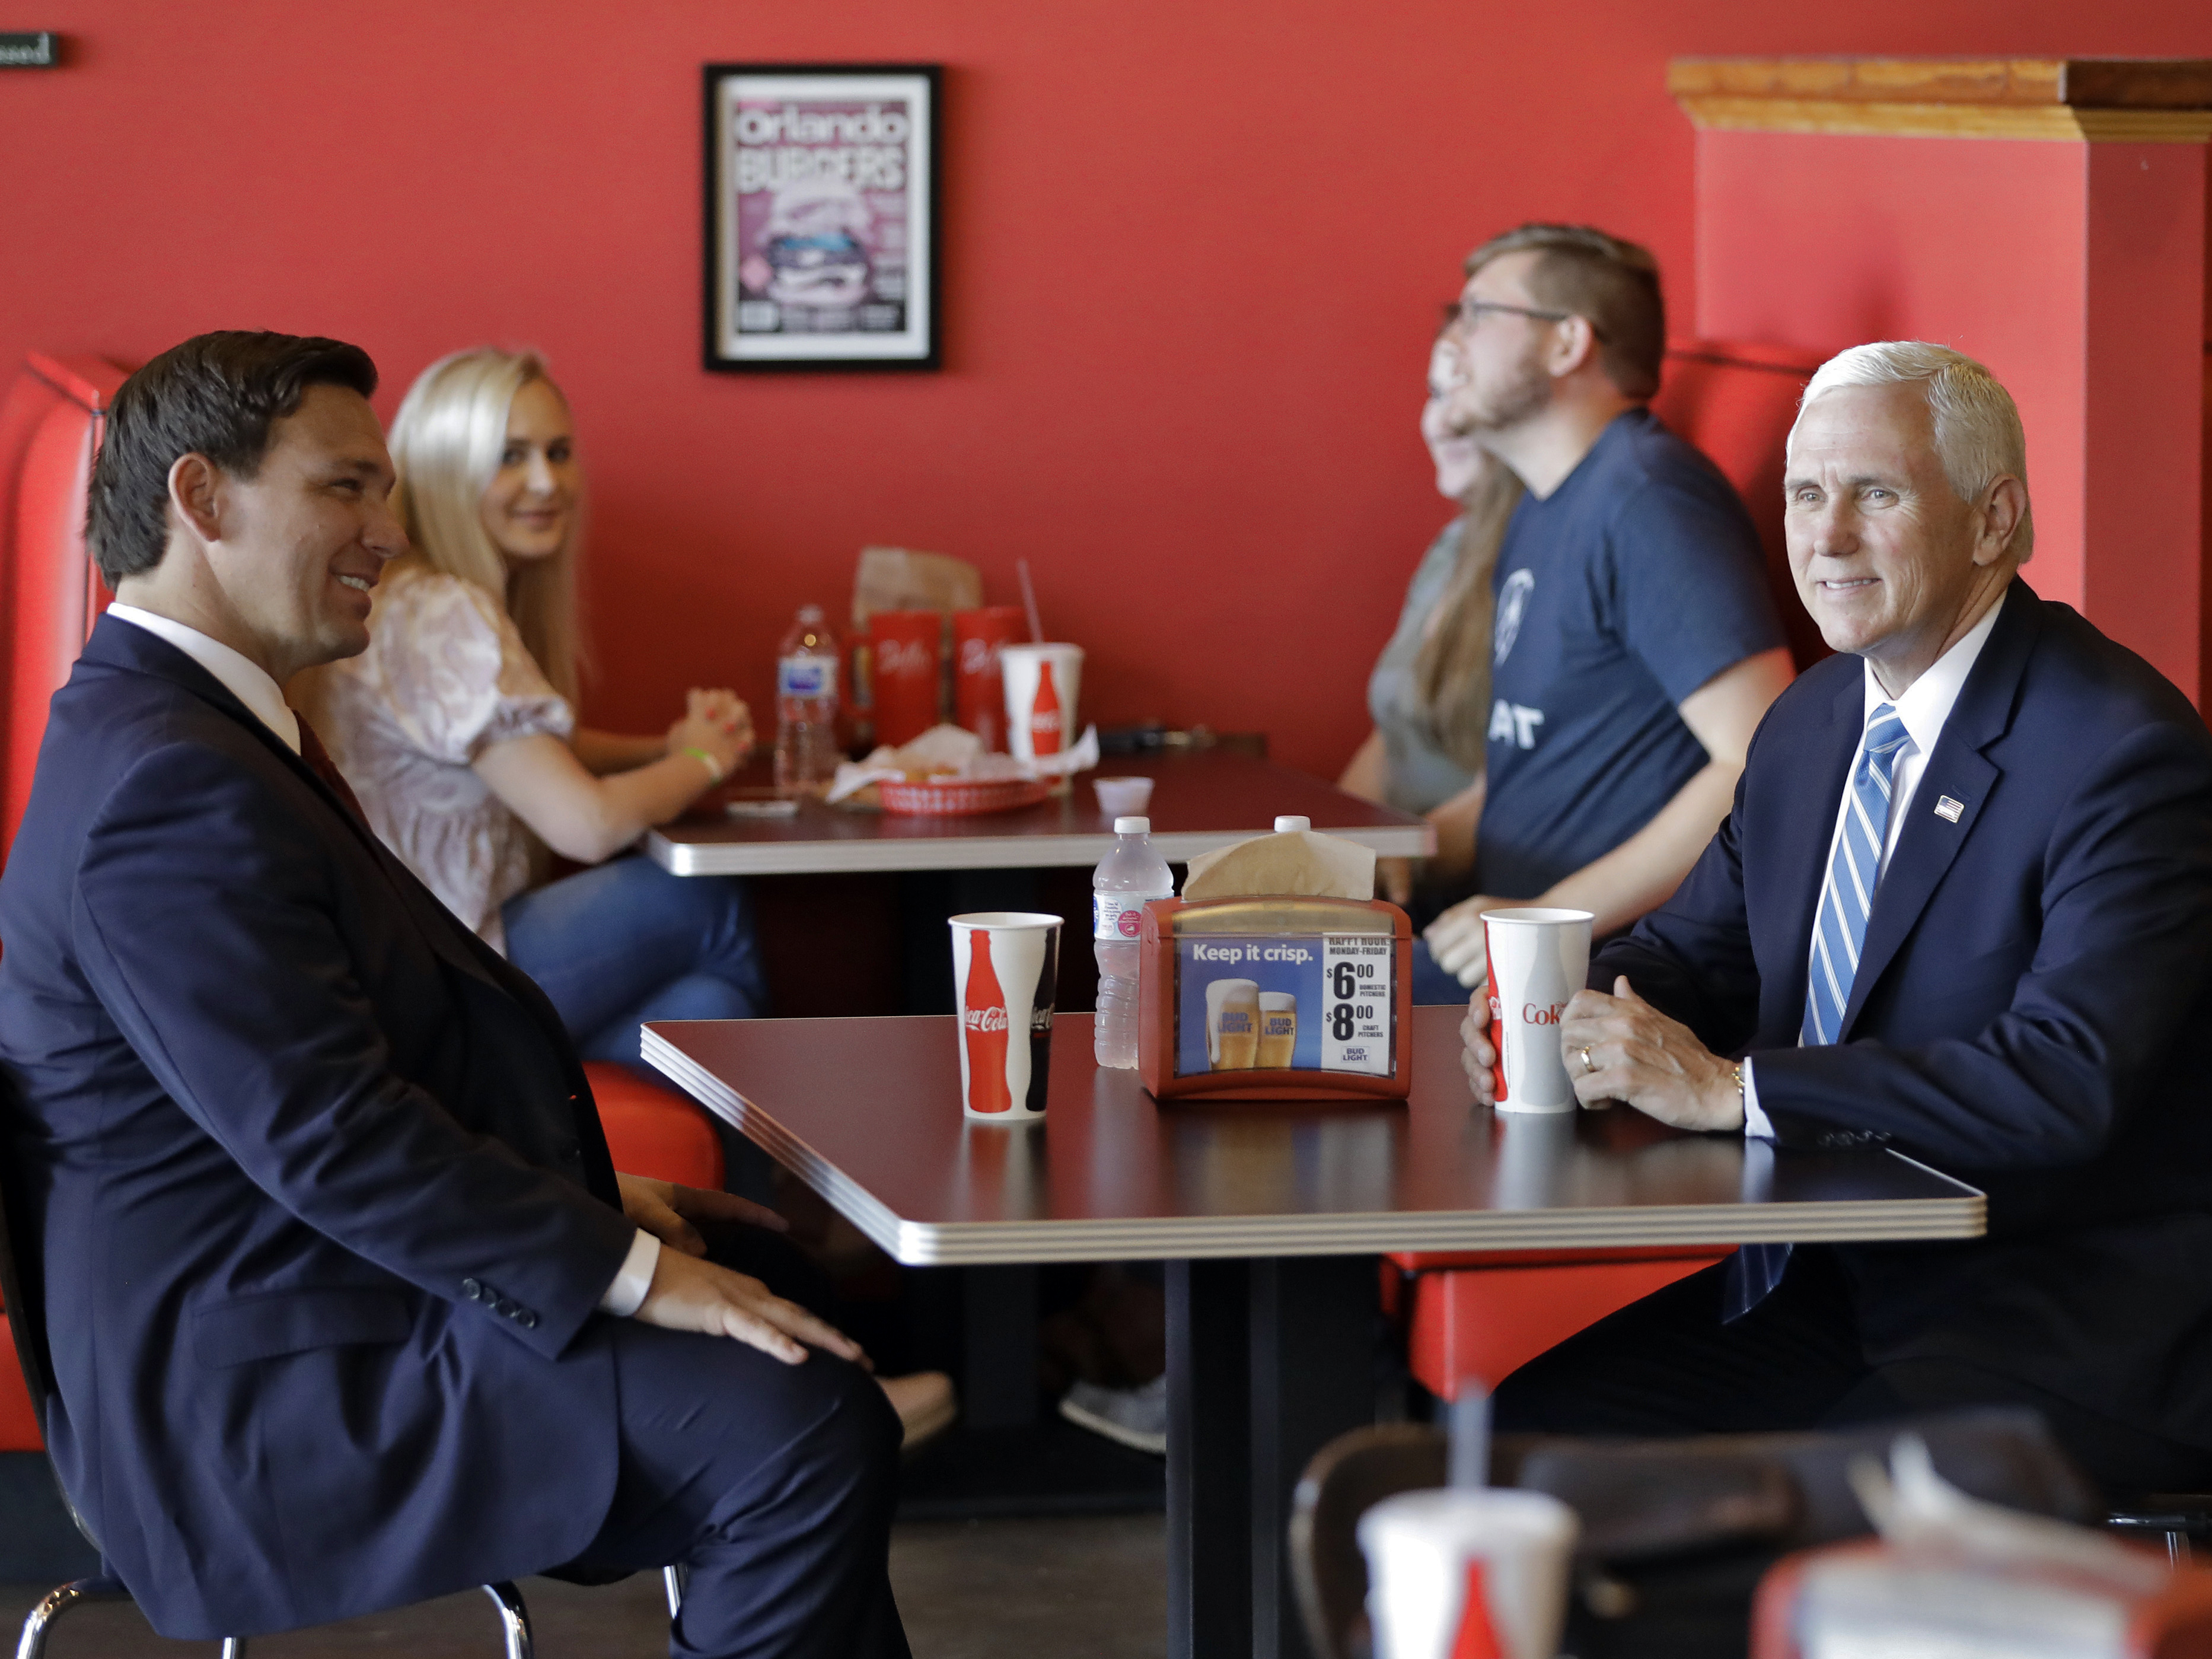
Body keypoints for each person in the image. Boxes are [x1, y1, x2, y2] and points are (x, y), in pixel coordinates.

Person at [0, 332, 910, 1655]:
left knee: (763, 1271)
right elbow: (330, 1134)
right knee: (800, 1422)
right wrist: (615, 1263)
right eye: (346, 489)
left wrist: (601, 1220)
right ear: (202, 501)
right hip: (263, 1394)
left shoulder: (184, 728)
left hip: (301, 1297)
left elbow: (343, 1065)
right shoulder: (168, 784)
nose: (388, 525)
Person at [1460, 342, 2212, 1495]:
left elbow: (2062, 1080)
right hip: (1834, 1283)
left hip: (2053, 1323)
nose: (1825, 535)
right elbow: (1696, 949)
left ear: (1992, 517)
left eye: (1876, 492)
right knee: (1517, 1447)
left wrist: (1732, 1091)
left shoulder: (2121, 754)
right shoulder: (1813, 716)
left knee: (1730, 1527)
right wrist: (1563, 1011)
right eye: (1804, 494)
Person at [298, 347, 766, 1066]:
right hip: (438, 979)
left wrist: (662, 748)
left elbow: (530, 753)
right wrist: (706, 759)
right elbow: (586, 823)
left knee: (711, 1013)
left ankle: (568, 1130)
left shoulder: (417, 599)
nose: (546, 481)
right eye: (510, 456)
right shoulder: (444, 613)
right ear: (449, 468)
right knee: (710, 902)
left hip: (413, 970)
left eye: (558, 452)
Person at [1416, 224, 1796, 1002]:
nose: (1452, 342)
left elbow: (1757, 758)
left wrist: (1549, 917)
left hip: (1597, 965)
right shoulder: (1542, 503)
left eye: (1478, 312)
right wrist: (1403, 851)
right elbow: (1531, 764)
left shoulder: (1648, 498)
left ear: (1566, 345)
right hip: (1505, 931)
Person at [1337, 317, 1523, 909]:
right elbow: (1390, 735)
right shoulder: (1454, 544)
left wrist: (1391, 866)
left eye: (1462, 393)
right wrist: (1332, 852)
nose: (1441, 421)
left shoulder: (1543, 560)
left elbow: (1519, 786)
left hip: (1465, 900)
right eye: (1435, 393)